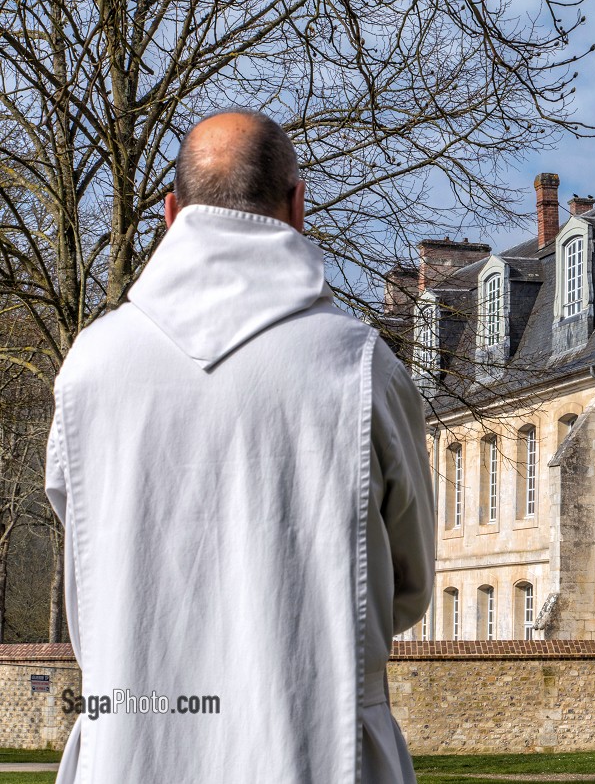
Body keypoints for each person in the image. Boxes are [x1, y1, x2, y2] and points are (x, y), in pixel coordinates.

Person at [45, 110, 434, 783]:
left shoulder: (90, 367)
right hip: (316, 749)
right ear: (298, 204)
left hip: (135, 752)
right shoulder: (359, 366)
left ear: (169, 213)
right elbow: (410, 585)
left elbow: (90, 550)